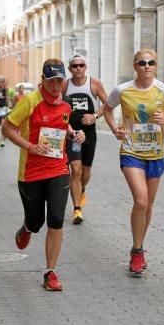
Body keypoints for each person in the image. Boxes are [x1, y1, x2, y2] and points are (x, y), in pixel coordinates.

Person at [2, 59, 85, 292]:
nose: (56, 85)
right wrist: (30, 146)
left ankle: (50, 272)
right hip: (31, 171)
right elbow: (6, 128)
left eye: (60, 80)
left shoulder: (66, 104)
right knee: (37, 221)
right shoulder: (29, 102)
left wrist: (75, 135)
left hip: (58, 168)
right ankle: (27, 227)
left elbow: (64, 125)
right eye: (51, 81)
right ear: (43, 80)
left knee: (56, 219)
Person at [103, 49, 164, 275]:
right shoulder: (122, 90)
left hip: (155, 154)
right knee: (140, 201)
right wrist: (115, 129)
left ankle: (138, 244)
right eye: (142, 62)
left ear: (156, 66)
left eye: (151, 62)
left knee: (148, 205)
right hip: (131, 151)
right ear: (135, 65)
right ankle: (137, 251)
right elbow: (107, 110)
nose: (147, 66)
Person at [63, 54, 108, 224]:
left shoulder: (94, 84)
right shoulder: (65, 86)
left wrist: (95, 116)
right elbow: (58, 106)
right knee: (75, 169)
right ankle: (76, 209)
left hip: (89, 133)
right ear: (70, 69)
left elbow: (108, 104)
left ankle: (81, 189)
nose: (78, 68)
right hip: (72, 134)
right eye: (75, 66)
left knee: (85, 170)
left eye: (81, 65)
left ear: (85, 67)